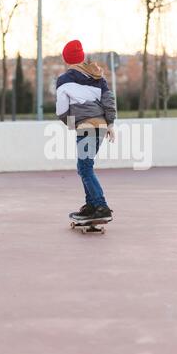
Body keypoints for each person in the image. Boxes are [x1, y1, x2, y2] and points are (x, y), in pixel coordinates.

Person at [56, 39, 116, 222]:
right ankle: (91, 205)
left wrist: (72, 124)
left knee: (85, 167)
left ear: (67, 59)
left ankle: (100, 205)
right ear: (82, 57)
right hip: (100, 127)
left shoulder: (64, 80)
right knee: (84, 166)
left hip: (86, 128)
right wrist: (110, 124)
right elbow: (108, 100)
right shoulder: (98, 76)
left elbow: (61, 110)